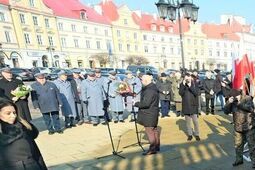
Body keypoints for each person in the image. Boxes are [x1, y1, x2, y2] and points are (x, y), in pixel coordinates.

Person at [0, 99, 47, 170]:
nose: (13, 116)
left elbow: (36, 154)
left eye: (14, 113)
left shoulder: (23, 127)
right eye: (8, 113)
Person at [224, 89, 255, 168]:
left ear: (239, 94)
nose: (234, 98)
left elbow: (251, 109)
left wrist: (239, 103)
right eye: (232, 97)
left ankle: (254, 162)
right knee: (238, 145)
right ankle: (239, 160)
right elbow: (226, 111)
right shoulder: (232, 101)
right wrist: (228, 103)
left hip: (249, 127)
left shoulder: (247, 98)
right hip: (238, 127)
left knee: (252, 146)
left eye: (235, 96)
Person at [135, 72, 160, 155]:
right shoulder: (153, 87)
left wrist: (136, 103)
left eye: (142, 80)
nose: (141, 81)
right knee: (154, 130)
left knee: (150, 131)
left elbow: (146, 103)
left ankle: (152, 149)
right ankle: (156, 146)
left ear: (146, 80)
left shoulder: (149, 90)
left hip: (148, 114)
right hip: (153, 113)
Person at [179, 73, 200, 141]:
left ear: (191, 78)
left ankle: (197, 134)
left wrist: (190, 86)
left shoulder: (195, 84)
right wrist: (183, 85)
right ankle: (190, 134)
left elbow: (196, 93)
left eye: (188, 78)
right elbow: (181, 93)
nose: (187, 79)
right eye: (186, 78)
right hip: (186, 106)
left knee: (195, 122)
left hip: (193, 106)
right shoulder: (182, 84)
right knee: (188, 123)